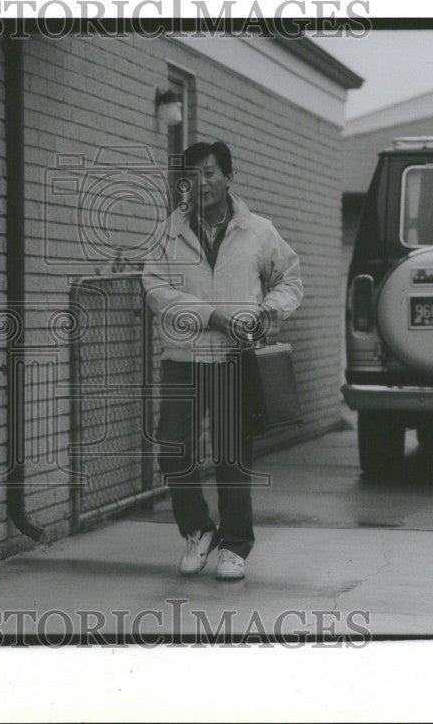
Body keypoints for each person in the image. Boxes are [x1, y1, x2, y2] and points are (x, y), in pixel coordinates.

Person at [142, 141, 303, 580]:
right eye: (192, 175)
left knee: (233, 457)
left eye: (210, 173)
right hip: (184, 357)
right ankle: (198, 529)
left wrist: (268, 312)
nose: (201, 183)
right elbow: (157, 293)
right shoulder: (167, 234)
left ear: (229, 177)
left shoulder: (259, 231)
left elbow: (289, 279)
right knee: (173, 447)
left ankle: (235, 546)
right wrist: (212, 315)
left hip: (236, 359)